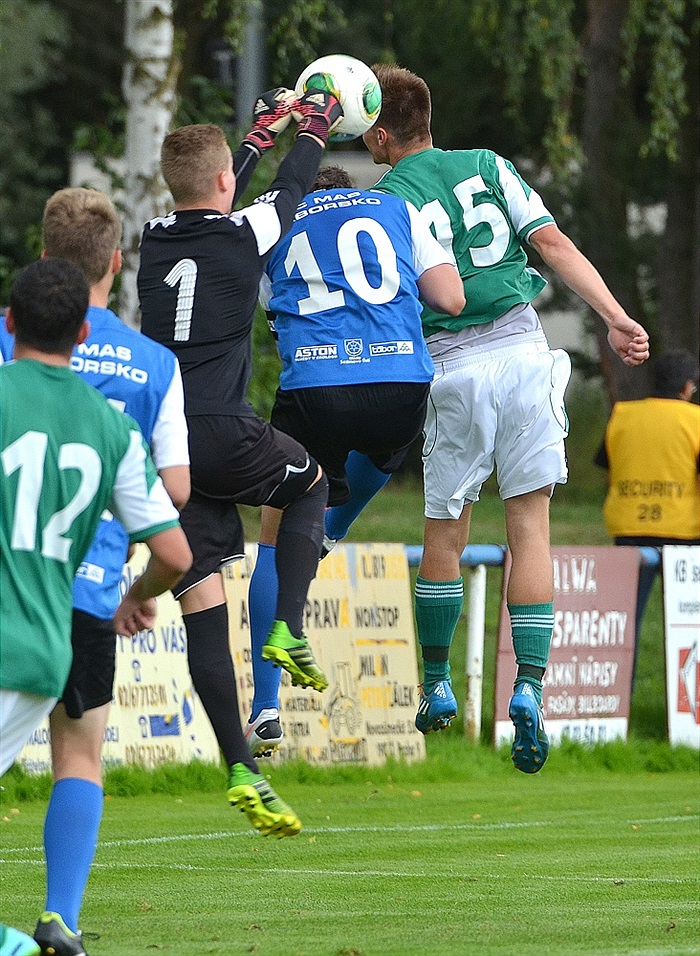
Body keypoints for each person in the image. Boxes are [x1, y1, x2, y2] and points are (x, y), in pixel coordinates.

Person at [359, 63, 650, 773]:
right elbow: (552, 245)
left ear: (379, 131)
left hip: (452, 363)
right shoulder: (489, 165)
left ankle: (436, 684)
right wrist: (614, 317)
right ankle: (529, 687)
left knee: (446, 532)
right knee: (531, 527)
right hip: (525, 350)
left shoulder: (386, 197)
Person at [137, 90, 342, 820]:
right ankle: (288, 623)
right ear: (225, 184)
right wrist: (314, 121)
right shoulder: (242, 233)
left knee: (203, 610)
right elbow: (290, 186)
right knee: (311, 483)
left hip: (167, 446)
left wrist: (258, 133)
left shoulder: (152, 238)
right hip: (224, 429)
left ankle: (240, 768)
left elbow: (227, 192)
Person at [0, 187, 191, 956]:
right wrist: (135, 593)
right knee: (79, 753)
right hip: (78, 595)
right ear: (115, 266)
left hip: (14, 606)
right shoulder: (141, 379)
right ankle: (61, 918)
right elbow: (176, 503)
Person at [244, 164, 465, 755]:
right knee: (389, 445)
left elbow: (255, 304)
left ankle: (265, 705)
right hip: (399, 381)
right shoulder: (394, 209)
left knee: (272, 535)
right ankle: (329, 531)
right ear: (351, 191)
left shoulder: (276, 223)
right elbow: (451, 296)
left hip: (315, 386)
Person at [595, 349, 700, 666]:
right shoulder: (695, 420)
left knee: (624, 624)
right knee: (689, 628)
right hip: (684, 536)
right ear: (687, 387)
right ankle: (686, 708)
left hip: (628, 530)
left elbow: (608, 466)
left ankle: (615, 698)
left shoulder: (623, 415)